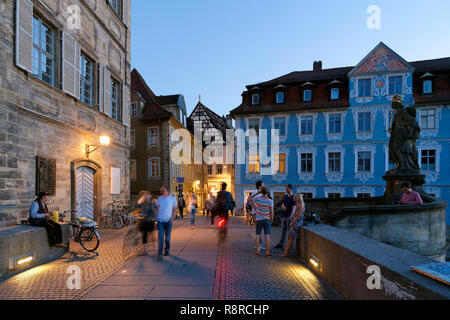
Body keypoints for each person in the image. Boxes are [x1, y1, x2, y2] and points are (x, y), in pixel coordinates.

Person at [249, 187, 274, 258]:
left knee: (257, 235)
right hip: (266, 219)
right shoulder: (270, 200)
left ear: (261, 192)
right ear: (267, 193)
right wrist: (271, 219)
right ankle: (267, 253)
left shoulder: (257, 199)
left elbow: (250, 198)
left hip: (259, 219)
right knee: (267, 236)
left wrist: (257, 193)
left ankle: (257, 252)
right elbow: (271, 212)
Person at [279, 193, 305, 258]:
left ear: (297, 198)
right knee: (290, 237)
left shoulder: (301, 204)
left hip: (297, 222)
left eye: (294, 197)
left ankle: (285, 253)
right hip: (295, 221)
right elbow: (295, 214)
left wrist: (292, 222)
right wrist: (291, 218)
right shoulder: (297, 203)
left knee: (290, 237)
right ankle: (288, 252)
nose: (292, 198)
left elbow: (298, 216)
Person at [156, 186, 178, 259]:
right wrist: (156, 217)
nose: (162, 192)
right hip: (160, 221)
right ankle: (160, 252)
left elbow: (175, 209)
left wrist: (172, 218)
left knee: (167, 237)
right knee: (161, 237)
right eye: (161, 190)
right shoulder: (159, 199)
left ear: (167, 191)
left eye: (163, 190)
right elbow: (157, 209)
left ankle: (167, 249)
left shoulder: (172, 198)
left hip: (168, 221)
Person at [137, 190, 157, 256]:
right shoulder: (142, 204)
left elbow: (152, 212)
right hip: (143, 221)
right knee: (144, 236)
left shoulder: (151, 203)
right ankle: (144, 250)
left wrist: (145, 215)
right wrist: (139, 203)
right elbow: (138, 208)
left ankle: (155, 247)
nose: (145, 196)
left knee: (151, 235)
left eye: (146, 195)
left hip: (150, 221)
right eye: (144, 195)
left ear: (149, 196)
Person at [275, 184, 295, 249]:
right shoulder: (285, 196)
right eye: (286, 188)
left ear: (290, 189)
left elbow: (294, 208)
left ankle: (288, 246)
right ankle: (280, 244)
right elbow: (283, 204)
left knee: (289, 232)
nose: (286, 190)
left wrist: (290, 217)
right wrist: (283, 207)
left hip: (289, 217)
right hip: (284, 216)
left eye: (287, 189)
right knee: (282, 230)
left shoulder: (293, 197)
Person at [247, 181, 265, 252]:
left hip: (261, 213)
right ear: (260, 186)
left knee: (260, 230)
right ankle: (257, 245)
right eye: (263, 185)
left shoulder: (262, 193)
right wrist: (255, 208)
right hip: (256, 213)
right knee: (258, 229)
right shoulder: (255, 192)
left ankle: (260, 244)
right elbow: (250, 199)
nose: (264, 185)